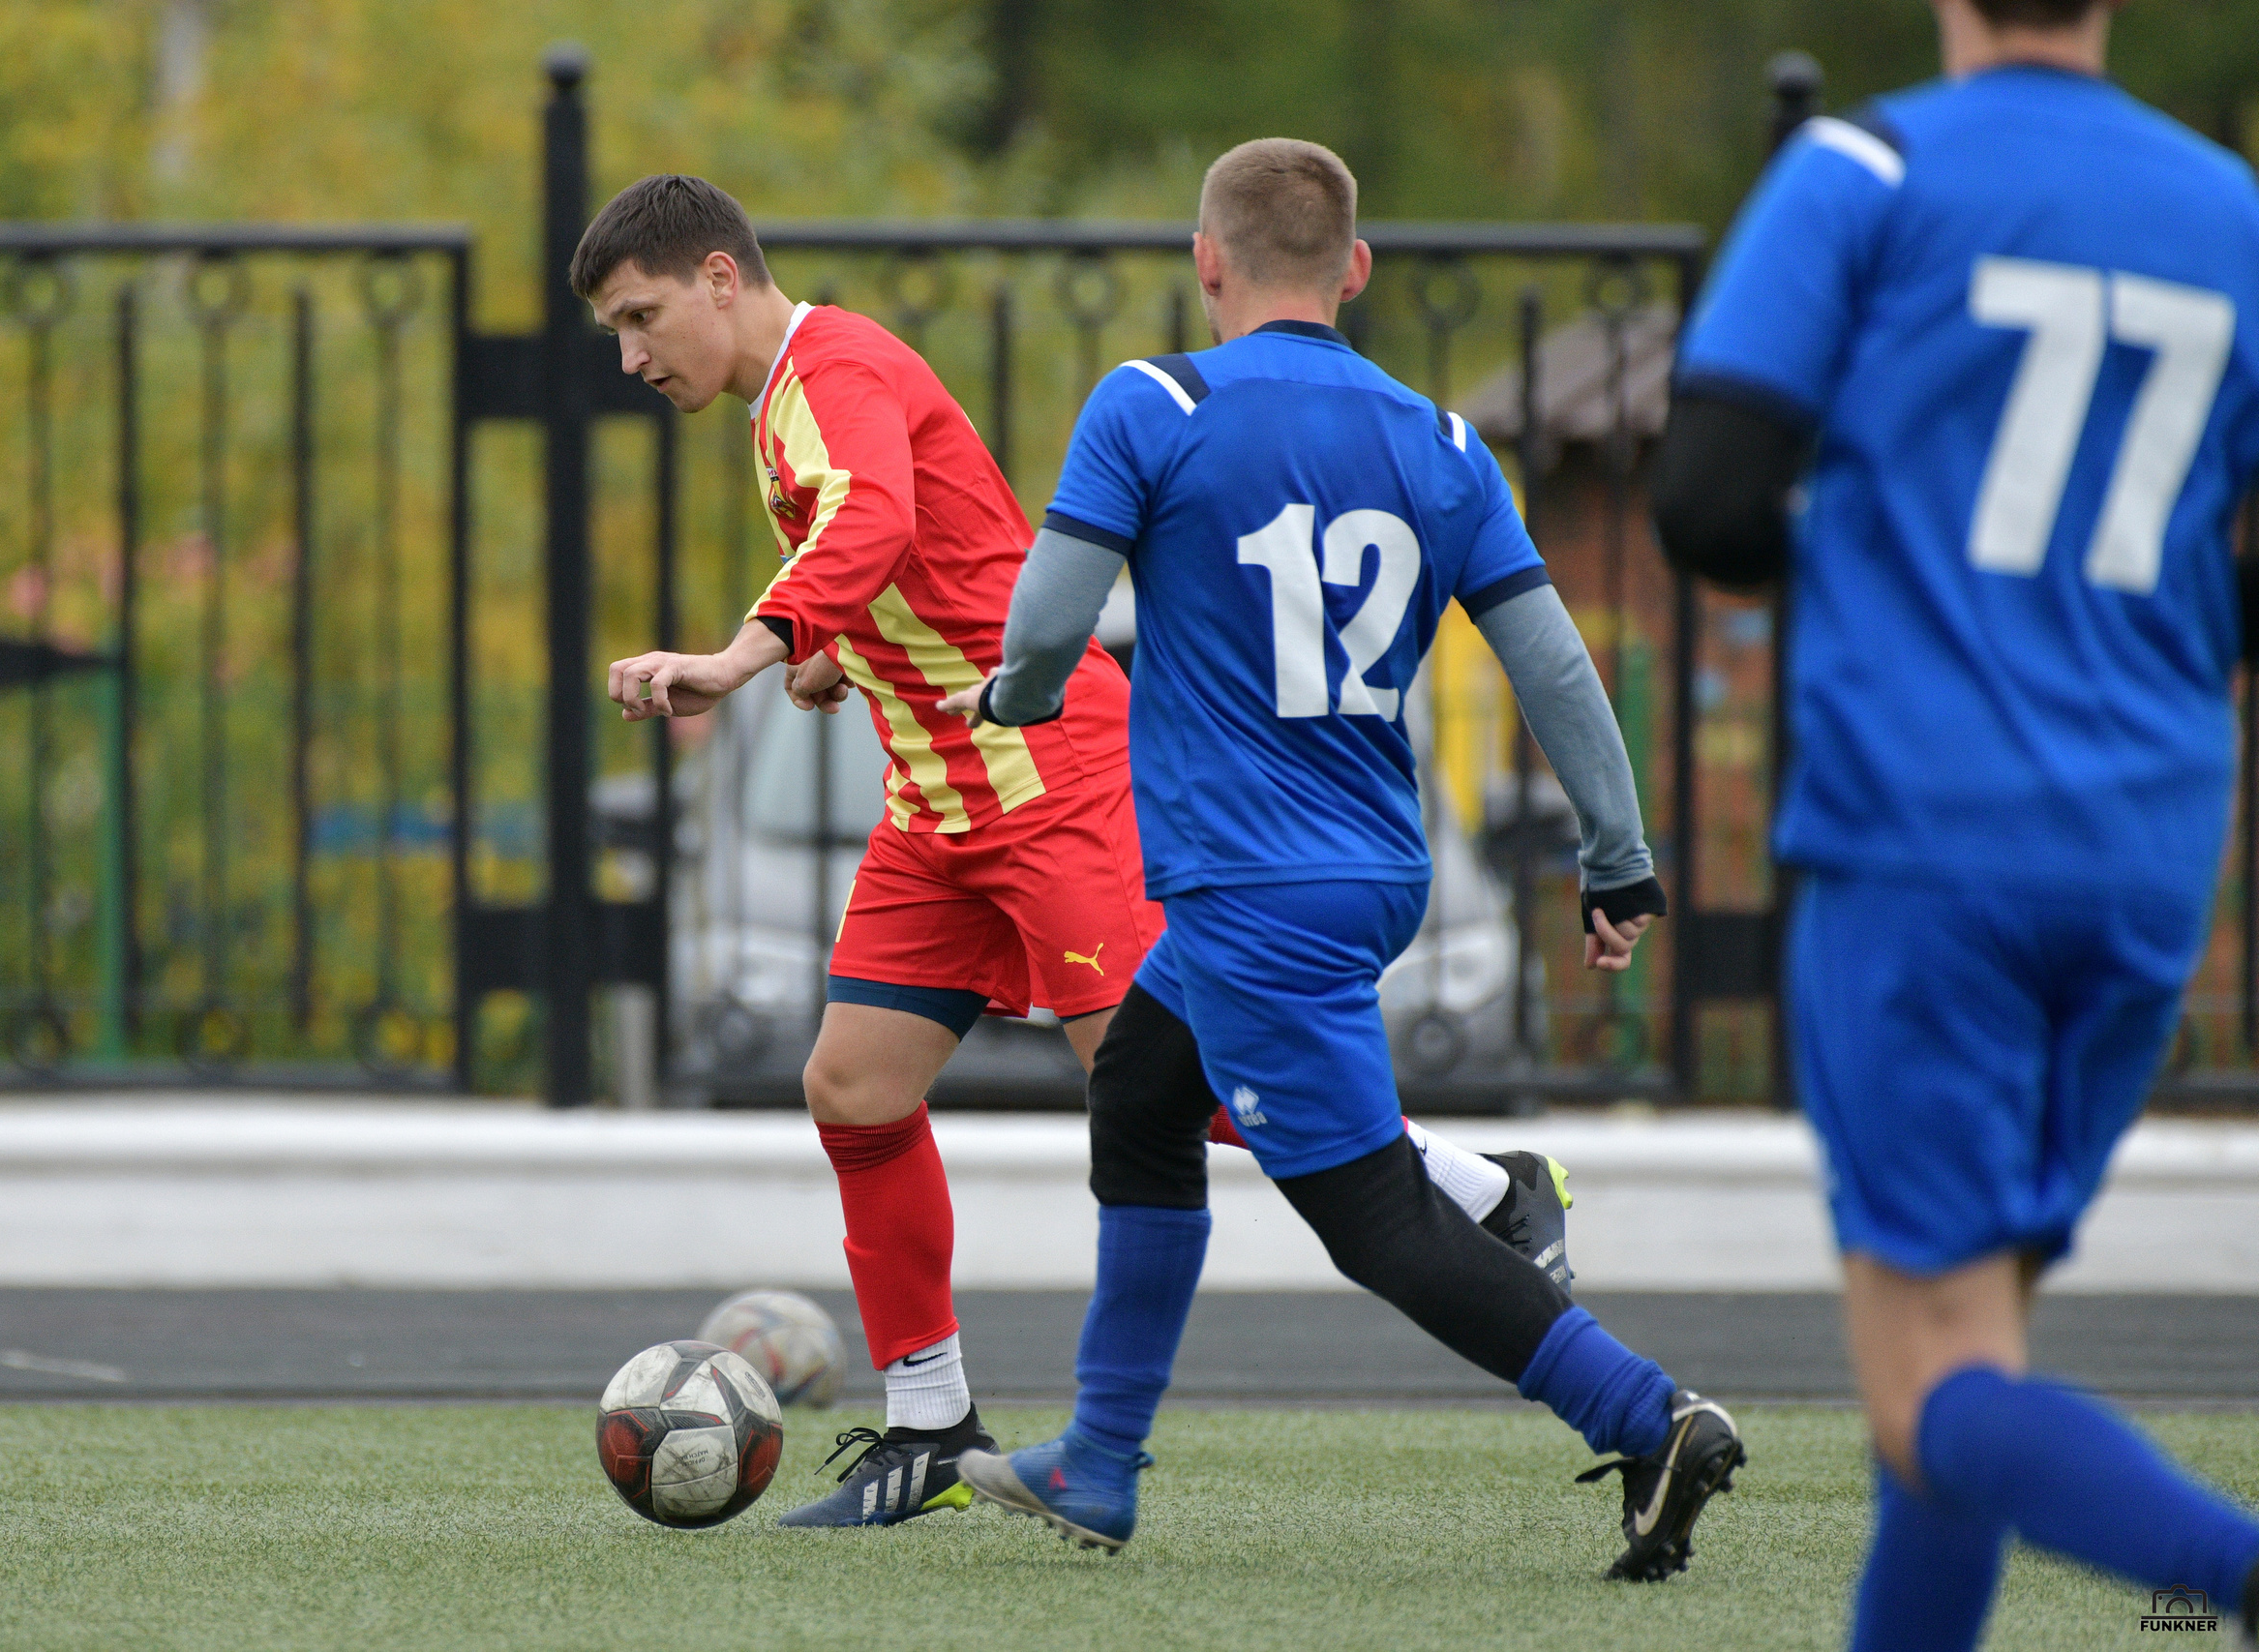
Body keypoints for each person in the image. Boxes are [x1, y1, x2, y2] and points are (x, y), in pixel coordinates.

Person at [572, 174, 1577, 1528]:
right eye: (616, 334)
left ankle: (1482, 1186)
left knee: (1153, 1083)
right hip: (941, 803)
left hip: (1049, 777)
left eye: (641, 318)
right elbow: (933, 551)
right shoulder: (782, 400)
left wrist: (744, 656)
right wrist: (848, 653)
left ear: (716, 277)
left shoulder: (833, 366)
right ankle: (930, 1428)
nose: (632, 357)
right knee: (854, 1087)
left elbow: (869, 517)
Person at [945, 138, 1744, 1579]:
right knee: (1142, 1093)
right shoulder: (1443, 443)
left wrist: (1016, 694)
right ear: (1356, 269)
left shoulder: (1157, 403)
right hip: (1370, 869)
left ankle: (1649, 1414)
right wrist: (1617, 858)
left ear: (1207, 261)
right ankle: (1100, 1462)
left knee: (1372, 1217)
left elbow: (1048, 626)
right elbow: (1554, 665)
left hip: (1251, 884)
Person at [1650, 1, 2259, 1644]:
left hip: (1926, 832)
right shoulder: (2232, 209)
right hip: (2148, 844)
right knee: (1961, 1355)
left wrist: (1885, 536)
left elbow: (1708, 500)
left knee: (1929, 1389)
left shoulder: (1867, 164)